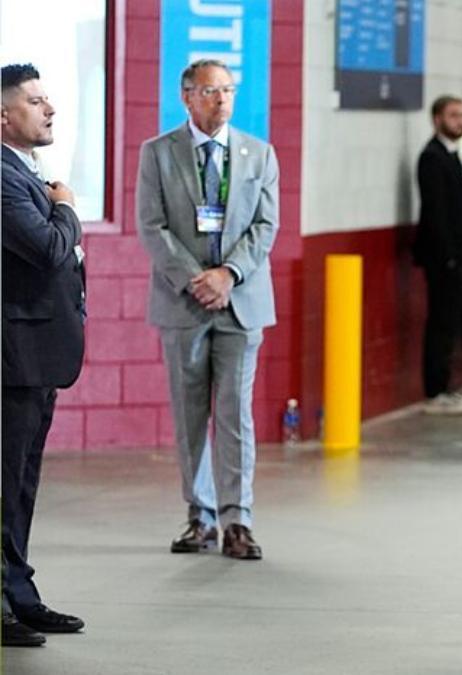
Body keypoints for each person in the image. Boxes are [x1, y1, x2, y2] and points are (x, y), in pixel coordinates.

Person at [135, 58, 279, 561]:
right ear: (187, 97)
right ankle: (201, 516)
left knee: (236, 414)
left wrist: (228, 275)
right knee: (190, 412)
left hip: (241, 303)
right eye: (210, 91)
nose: (221, 100)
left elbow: (265, 225)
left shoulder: (259, 154)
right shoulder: (157, 153)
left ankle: (238, 520)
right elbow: (151, 226)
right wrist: (195, 279)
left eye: (228, 90)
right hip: (184, 303)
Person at [1, 62, 86, 645]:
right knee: (4, 485)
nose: (49, 108)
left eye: (48, 97)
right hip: (12, 358)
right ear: (4, 116)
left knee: (21, 484)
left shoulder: (24, 171)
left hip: (36, 355)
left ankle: (19, 596)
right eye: (35, 101)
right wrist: (68, 208)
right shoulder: (4, 178)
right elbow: (50, 249)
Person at [414, 95, 462, 414]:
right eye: (453, 115)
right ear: (437, 119)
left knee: (453, 320)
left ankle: (446, 383)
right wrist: (449, 256)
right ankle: (435, 387)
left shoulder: (452, 154)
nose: (460, 121)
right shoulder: (432, 157)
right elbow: (436, 213)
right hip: (444, 259)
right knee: (441, 322)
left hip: (461, 256)